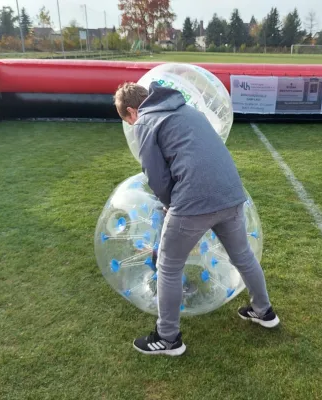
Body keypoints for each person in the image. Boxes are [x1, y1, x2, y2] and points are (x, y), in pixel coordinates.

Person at [114, 81, 279, 356]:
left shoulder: (145, 121)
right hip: (232, 193)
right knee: (243, 255)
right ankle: (264, 311)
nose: (133, 125)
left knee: (168, 265)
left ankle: (168, 339)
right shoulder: (188, 110)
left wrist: (170, 205)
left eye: (128, 120)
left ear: (132, 110)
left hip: (194, 200)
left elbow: (155, 175)